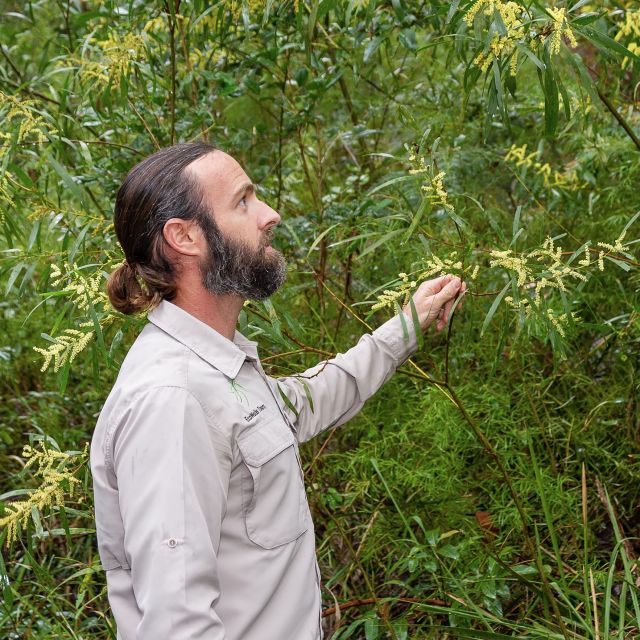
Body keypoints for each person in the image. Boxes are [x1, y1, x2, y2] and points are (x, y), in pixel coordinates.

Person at [90, 142, 465, 640]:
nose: (270, 214)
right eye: (243, 201)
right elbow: (177, 624)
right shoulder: (174, 400)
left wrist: (406, 328)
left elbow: (310, 400)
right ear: (185, 236)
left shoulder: (219, 367)